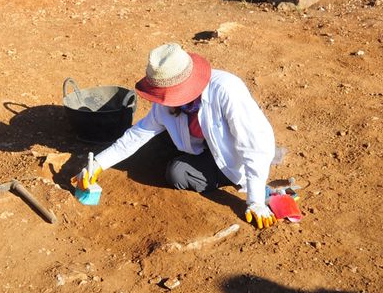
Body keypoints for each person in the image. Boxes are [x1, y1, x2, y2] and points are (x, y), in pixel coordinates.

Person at [75, 43, 277, 229]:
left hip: (231, 157)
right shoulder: (165, 104)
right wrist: (97, 164)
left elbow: (253, 146)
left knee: (177, 173)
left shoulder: (227, 90)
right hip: (198, 143)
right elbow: (137, 135)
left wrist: (256, 201)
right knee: (152, 149)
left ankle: (222, 176)